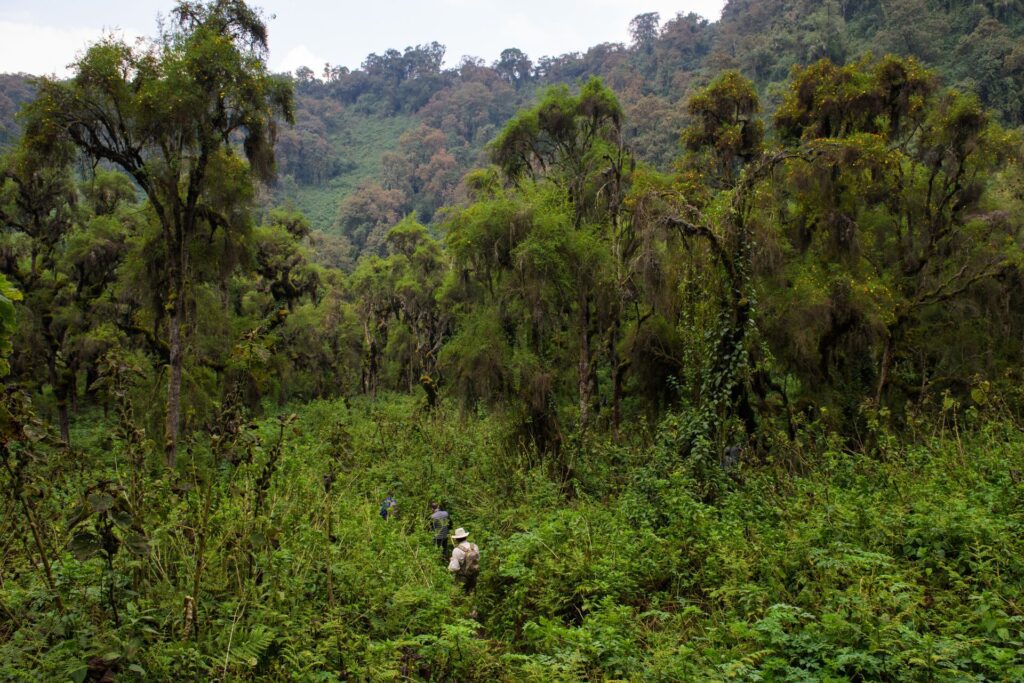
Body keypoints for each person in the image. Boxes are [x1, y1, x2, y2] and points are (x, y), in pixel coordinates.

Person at [447, 527, 480, 592]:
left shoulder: (456, 550)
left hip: (463, 577)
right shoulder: (474, 546)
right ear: (466, 537)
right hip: (474, 575)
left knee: (461, 594)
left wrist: (451, 561)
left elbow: (455, 568)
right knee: (472, 593)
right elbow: (478, 559)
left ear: (456, 539)